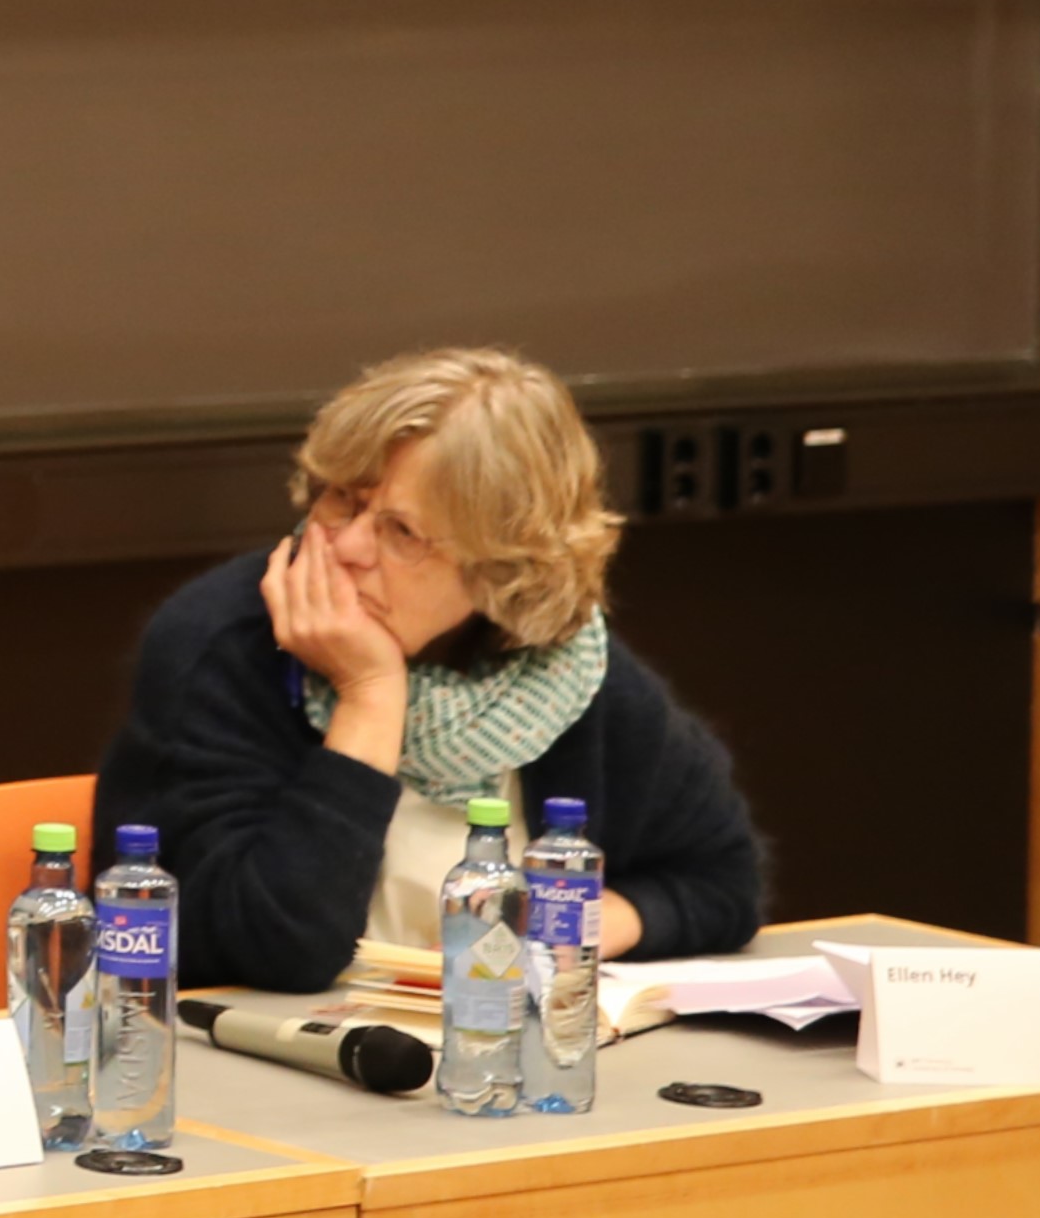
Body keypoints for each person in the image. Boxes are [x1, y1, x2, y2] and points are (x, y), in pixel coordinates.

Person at [97, 344, 760, 989]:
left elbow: (722, 881)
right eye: (342, 501)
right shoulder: (224, 642)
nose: (348, 547)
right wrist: (368, 696)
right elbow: (271, 949)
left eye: (402, 532)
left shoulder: (561, 670)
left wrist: (598, 920)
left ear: (499, 570)